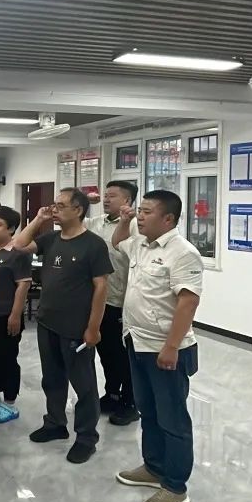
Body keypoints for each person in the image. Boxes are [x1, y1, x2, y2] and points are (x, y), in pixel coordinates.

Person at [112, 191, 202, 502]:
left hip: (165, 350)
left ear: (168, 219)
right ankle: (153, 467)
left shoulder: (183, 252)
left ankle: (175, 487)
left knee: (172, 419)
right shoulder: (140, 243)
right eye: (140, 210)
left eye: (147, 212)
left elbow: (188, 302)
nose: (140, 215)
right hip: (136, 341)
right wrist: (124, 221)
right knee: (148, 412)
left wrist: (171, 347)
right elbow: (117, 242)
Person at [13, 188, 112, 464]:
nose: (54, 210)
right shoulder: (51, 238)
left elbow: (101, 288)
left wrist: (94, 327)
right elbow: (19, 245)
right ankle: (55, 424)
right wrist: (38, 219)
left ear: (78, 210)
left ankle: (86, 438)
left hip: (76, 327)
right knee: (52, 378)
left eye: (60, 206)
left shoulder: (94, 245)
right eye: (53, 205)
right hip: (48, 322)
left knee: (84, 385)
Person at [86, 181, 141, 426]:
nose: (106, 199)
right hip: (100, 301)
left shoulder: (137, 226)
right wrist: (84, 203)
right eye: (105, 195)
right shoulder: (96, 223)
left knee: (124, 356)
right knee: (106, 352)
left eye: (112, 196)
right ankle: (112, 394)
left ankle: (131, 402)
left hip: (123, 301)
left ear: (127, 201)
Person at [0, 206, 32, 424]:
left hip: (6, 315)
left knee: (7, 359)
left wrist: (15, 315)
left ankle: (10, 402)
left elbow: (23, 285)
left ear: (11, 229)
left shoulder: (18, 253)